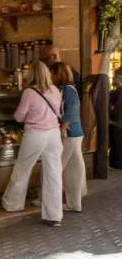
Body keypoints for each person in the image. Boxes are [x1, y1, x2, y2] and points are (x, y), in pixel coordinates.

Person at [2, 60, 64, 226]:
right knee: (54, 174)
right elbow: (58, 111)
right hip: (54, 135)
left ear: (32, 74)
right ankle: (54, 216)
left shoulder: (29, 92)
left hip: (35, 135)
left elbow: (19, 117)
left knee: (23, 169)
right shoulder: (55, 90)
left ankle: (13, 204)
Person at [52, 62, 85, 213]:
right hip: (75, 133)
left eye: (52, 73)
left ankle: (49, 200)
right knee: (73, 169)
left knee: (57, 167)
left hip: (71, 134)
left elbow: (72, 111)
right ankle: (74, 204)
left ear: (58, 74)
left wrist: (61, 128)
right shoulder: (67, 89)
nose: (51, 76)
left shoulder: (68, 90)